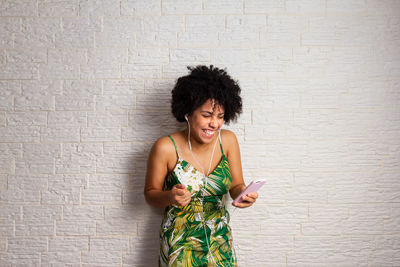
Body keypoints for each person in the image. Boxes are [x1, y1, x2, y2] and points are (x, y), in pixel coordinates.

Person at [144, 65, 258, 267]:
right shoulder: (165, 147)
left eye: (220, 116)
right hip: (180, 243)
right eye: (207, 115)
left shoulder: (228, 141)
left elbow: (236, 186)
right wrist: (170, 196)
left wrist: (245, 194)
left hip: (220, 239)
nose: (214, 123)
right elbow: (150, 194)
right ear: (188, 112)